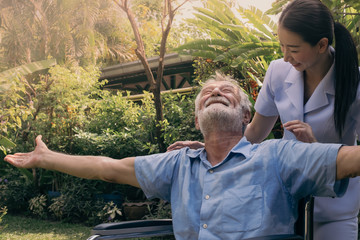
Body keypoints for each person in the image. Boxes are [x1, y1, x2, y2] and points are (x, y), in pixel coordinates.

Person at [4, 72, 360, 239]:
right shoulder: (178, 164)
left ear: (246, 116)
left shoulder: (278, 155)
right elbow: (108, 168)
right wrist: (47, 158)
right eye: (207, 92)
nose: (216, 92)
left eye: (227, 92)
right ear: (196, 120)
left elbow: (346, 160)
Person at [168, 0, 360, 239]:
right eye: (281, 46)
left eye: (293, 48)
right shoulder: (278, 71)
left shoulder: (355, 83)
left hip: (334, 208)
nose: (285, 56)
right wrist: (208, 148)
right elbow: (255, 133)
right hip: (284, 204)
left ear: (322, 45)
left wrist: (317, 147)